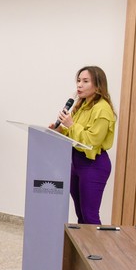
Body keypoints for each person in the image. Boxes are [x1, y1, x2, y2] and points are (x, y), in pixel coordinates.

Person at [50, 66, 116, 224]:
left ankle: (97, 249)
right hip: (76, 162)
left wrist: (71, 125)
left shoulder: (103, 110)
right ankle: (83, 248)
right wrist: (60, 129)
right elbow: (75, 136)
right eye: (78, 81)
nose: (79, 85)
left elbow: (92, 142)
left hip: (93, 164)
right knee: (81, 214)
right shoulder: (81, 106)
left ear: (98, 86)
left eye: (85, 81)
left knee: (89, 215)